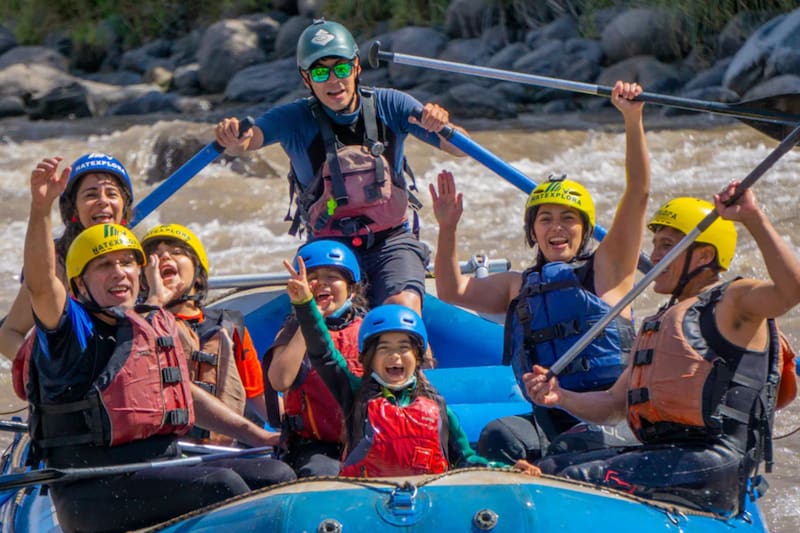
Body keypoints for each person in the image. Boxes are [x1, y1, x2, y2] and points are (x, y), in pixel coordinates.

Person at [20, 160, 295, 531]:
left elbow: (183, 394)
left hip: (159, 465)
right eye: (103, 266)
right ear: (80, 285)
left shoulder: (148, 322)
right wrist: (40, 208)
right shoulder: (71, 328)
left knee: (277, 474)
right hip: (92, 488)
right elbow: (40, 284)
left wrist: (257, 434)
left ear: (140, 273)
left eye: (126, 263)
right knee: (223, 486)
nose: (118, 273)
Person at [525, 187, 800, 515]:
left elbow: (791, 290)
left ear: (704, 256)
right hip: (668, 454)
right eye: (655, 245)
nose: (654, 256)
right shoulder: (665, 319)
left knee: (568, 478)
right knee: (548, 464)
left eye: (667, 246)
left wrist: (753, 218)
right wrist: (561, 396)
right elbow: (613, 404)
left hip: (713, 464)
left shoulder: (734, 302)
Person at [431, 81, 650, 462]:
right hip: (552, 417)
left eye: (568, 219)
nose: (556, 228)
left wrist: (633, 119)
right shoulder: (519, 285)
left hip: (611, 415)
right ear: (533, 231)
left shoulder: (608, 269)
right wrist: (447, 229)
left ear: (584, 230)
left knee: (573, 447)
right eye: (545, 219)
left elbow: (639, 192)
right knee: (500, 436)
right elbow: (453, 291)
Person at [213, 18, 466, 319]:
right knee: (325, 317)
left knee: (402, 311)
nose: (334, 80)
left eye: (342, 68)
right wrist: (232, 138)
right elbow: (248, 141)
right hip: (327, 244)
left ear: (357, 67)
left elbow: (461, 147)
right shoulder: (293, 119)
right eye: (321, 72)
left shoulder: (392, 105)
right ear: (307, 79)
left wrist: (441, 124)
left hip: (392, 242)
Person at [283, 256, 541, 477]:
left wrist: (506, 471)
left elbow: (466, 460)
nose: (395, 356)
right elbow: (324, 355)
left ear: (418, 358)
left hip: (427, 503)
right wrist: (306, 305)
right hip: (367, 503)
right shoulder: (355, 394)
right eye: (384, 349)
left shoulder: (437, 406)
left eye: (403, 348)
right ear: (369, 360)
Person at [141, 223, 270, 444]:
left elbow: (259, 398)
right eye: (154, 256)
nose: (164, 258)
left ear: (198, 276)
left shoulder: (229, 327)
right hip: (168, 454)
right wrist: (154, 303)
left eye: (177, 252)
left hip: (223, 451)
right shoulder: (137, 325)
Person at [1, 153, 133, 361]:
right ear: (73, 208)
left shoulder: (139, 260)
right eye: (91, 195)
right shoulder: (53, 263)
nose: (103, 201)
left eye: (111, 194)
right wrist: (42, 375)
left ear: (124, 207)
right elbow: (8, 334)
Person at [264, 240, 366, 477]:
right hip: (315, 446)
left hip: (366, 438)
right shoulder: (292, 330)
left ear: (352, 289)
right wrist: (308, 318)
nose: (322, 282)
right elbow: (279, 380)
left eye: (333, 277)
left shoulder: (368, 330)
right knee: (324, 472)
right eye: (313, 277)